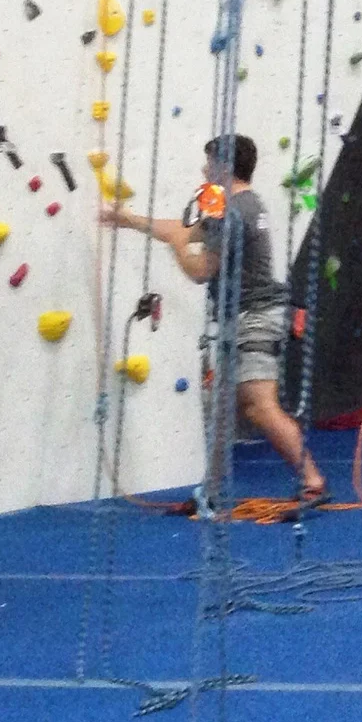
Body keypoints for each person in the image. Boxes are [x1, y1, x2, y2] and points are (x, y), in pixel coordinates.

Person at [104, 135, 325, 504]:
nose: (204, 170)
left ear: (224, 167)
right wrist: (128, 221)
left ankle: (313, 481)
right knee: (221, 405)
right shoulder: (241, 204)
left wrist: (177, 249)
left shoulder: (234, 213)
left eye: (209, 163)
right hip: (243, 316)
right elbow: (183, 229)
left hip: (254, 316)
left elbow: (200, 269)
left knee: (258, 404)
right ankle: (213, 490)